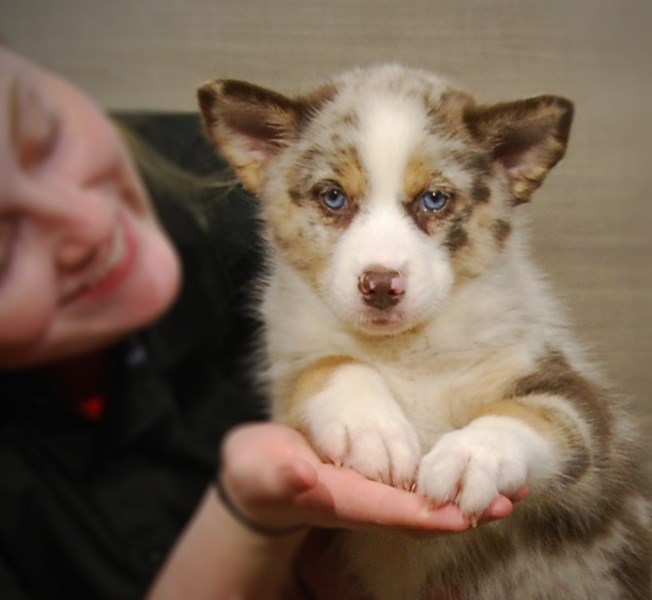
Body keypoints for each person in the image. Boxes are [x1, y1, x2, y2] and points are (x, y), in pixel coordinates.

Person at [0, 47, 520, 599]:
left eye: (43, 134)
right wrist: (253, 520)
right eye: (4, 248)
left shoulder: (272, 175)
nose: (89, 222)